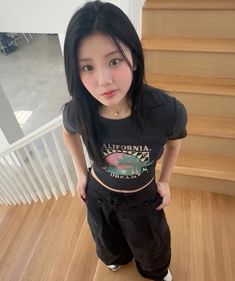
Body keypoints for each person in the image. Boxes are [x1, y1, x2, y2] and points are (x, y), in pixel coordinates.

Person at [62, 1, 187, 281]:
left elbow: (174, 143)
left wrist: (164, 181)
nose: (103, 80)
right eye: (87, 67)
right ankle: (115, 258)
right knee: (106, 239)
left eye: (114, 61)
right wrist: (81, 174)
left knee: (151, 245)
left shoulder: (166, 111)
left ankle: (154, 270)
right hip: (99, 194)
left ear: (134, 55)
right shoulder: (78, 110)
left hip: (143, 196)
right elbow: (67, 133)